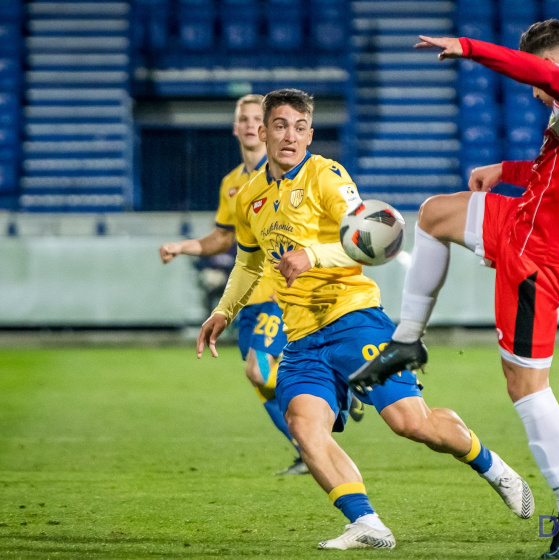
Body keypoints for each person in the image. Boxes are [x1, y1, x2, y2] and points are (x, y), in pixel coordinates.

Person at [197, 88, 534, 550]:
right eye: (280, 126)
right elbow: (248, 263)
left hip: (355, 319)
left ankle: (493, 466)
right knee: (303, 426)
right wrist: (223, 310)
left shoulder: (328, 177)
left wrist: (312, 254)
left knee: (410, 422)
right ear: (263, 131)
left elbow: (376, 240)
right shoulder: (250, 195)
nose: (290, 136)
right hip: (302, 336)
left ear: (310, 134)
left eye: (300, 127)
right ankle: (368, 524)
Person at [350, 20, 559, 558]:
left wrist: (466, 49)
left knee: (526, 387)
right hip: (530, 220)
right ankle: (408, 340)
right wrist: (504, 169)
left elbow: (535, 71)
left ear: (556, 61)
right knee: (435, 214)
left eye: (543, 82)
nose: (536, 94)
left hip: (540, 256)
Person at [159, 94, 315, 476]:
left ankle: (329, 397)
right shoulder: (234, 184)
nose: (247, 125)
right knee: (261, 382)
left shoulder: (286, 170)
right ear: (236, 127)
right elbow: (224, 239)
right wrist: (184, 247)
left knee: (259, 370)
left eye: (253, 118)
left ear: (265, 128)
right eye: (241, 118)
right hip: (248, 300)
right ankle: (307, 448)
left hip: (280, 295)